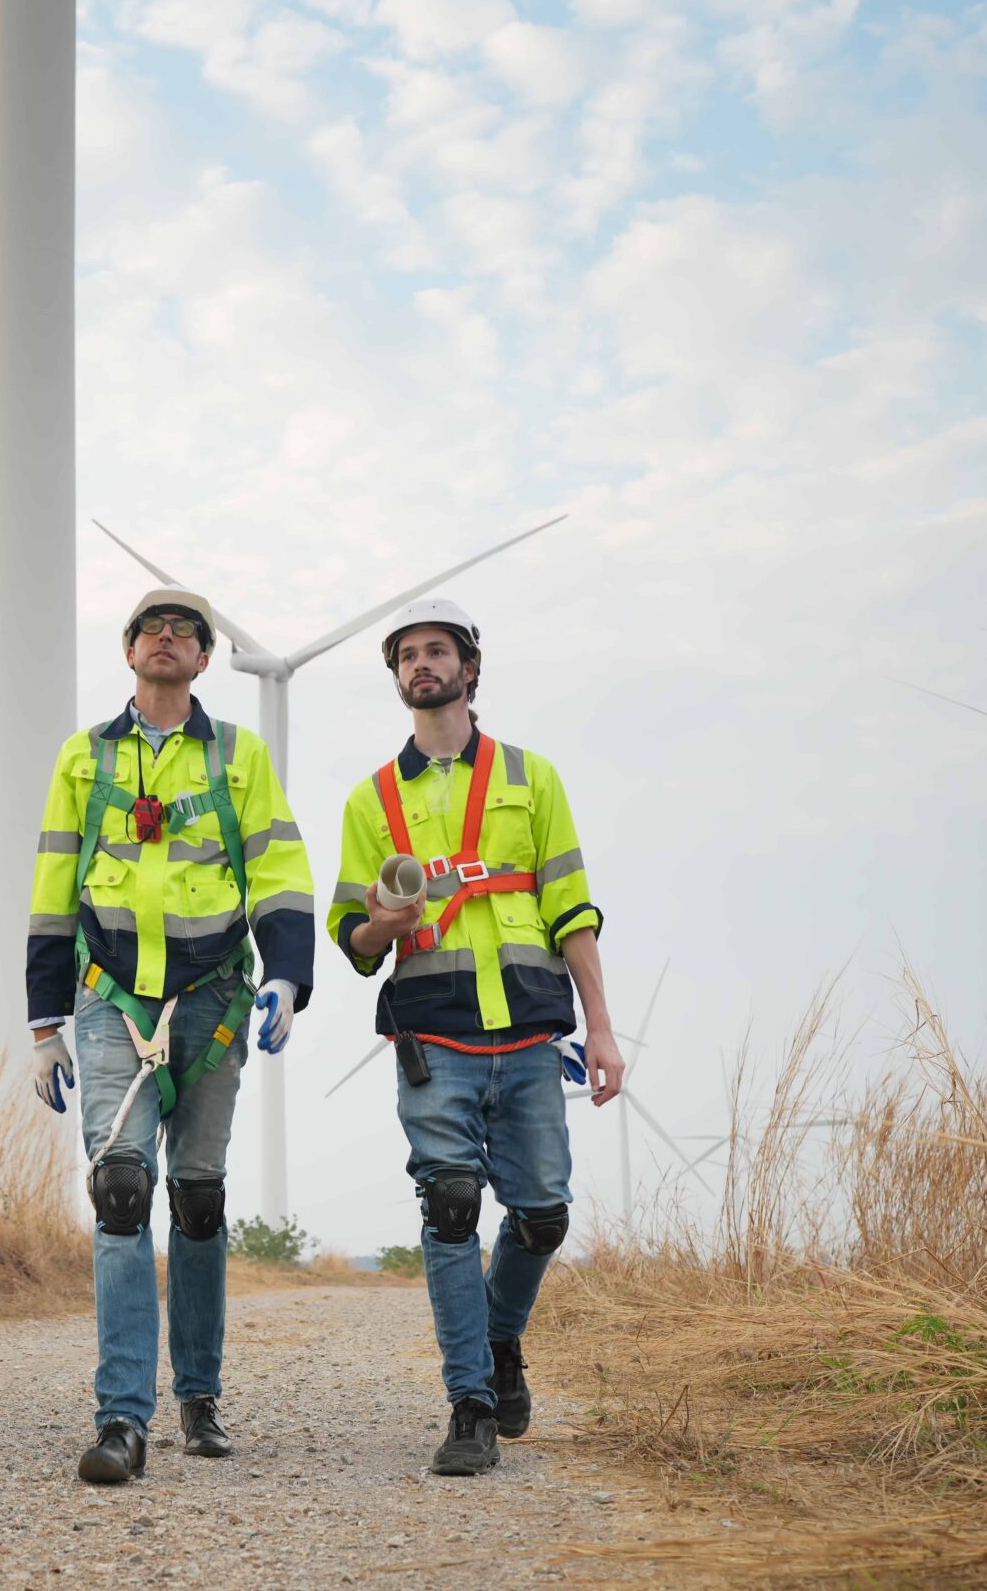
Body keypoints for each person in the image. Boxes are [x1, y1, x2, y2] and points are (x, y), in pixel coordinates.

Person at [326, 598, 625, 1474]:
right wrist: (385, 921)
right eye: (407, 656)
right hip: (435, 1034)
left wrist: (600, 1027)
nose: (422, 664)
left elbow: (571, 907)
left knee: (541, 1213)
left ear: (470, 669)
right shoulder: (371, 799)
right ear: (396, 679)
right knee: (451, 1206)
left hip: (530, 1031)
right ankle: (470, 1405)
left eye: (437, 651)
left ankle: (500, 1342)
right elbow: (352, 939)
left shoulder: (534, 779)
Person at [25, 587, 316, 1484]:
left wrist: (286, 974)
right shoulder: (85, 757)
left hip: (215, 997)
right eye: (152, 627)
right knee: (120, 1188)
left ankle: (200, 1394)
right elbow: (52, 884)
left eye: (186, 631)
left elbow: (275, 864)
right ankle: (122, 1418)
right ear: (129, 652)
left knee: (196, 1197)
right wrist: (44, 1021)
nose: (167, 638)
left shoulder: (240, 753)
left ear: (203, 658)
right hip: (113, 998)